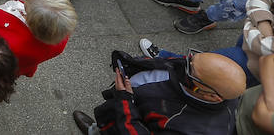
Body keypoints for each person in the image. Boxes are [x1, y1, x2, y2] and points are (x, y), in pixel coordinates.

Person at [69, 51, 246, 135]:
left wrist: (125, 102)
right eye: (190, 59)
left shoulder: (192, 129)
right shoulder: (194, 72)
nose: (184, 65)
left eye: (190, 71)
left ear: (212, 96)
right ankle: (96, 130)